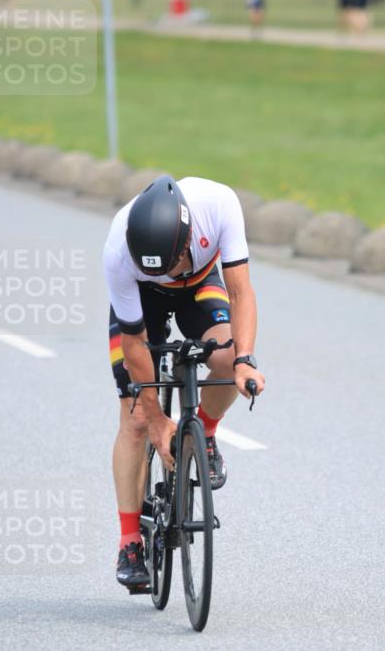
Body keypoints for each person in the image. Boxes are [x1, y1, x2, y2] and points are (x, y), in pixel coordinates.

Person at [103, 174, 266, 590]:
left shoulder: (219, 205)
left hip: (201, 284)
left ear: (190, 236)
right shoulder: (118, 253)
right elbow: (135, 343)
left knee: (227, 361)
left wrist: (245, 360)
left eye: (174, 261)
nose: (170, 271)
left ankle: (205, 435)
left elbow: (241, 293)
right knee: (136, 417)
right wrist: (157, 421)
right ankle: (129, 541)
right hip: (143, 298)